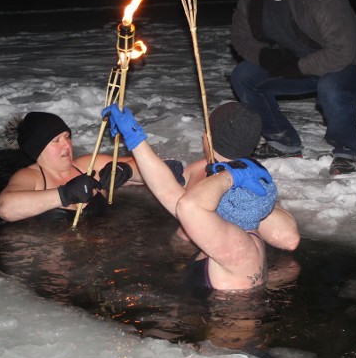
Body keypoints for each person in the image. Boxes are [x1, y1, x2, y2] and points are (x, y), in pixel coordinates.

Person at [230, 0, 356, 175]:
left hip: (350, 65)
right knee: (243, 76)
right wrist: (267, 57)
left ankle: (346, 150)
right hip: (298, 61)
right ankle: (283, 140)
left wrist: (296, 67)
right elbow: (240, 38)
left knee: (331, 88)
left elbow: (342, 51)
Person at [102, 103, 278, 291]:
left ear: (208, 137)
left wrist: (228, 176)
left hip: (219, 318)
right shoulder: (233, 226)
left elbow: (187, 205)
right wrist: (133, 135)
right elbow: (167, 189)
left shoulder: (239, 248)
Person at [183, 101, 300, 252]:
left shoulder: (249, 182)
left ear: (209, 138)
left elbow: (290, 240)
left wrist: (245, 206)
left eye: (205, 131)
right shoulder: (198, 169)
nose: (202, 136)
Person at [0, 111, 144, 222]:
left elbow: (151, 168)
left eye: (67, 136)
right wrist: (65, 194)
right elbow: (5, 208)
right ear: (38, 149)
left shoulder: (88, 165)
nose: (66, 145)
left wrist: (126, 170)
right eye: (56, 140)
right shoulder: (32, 177)